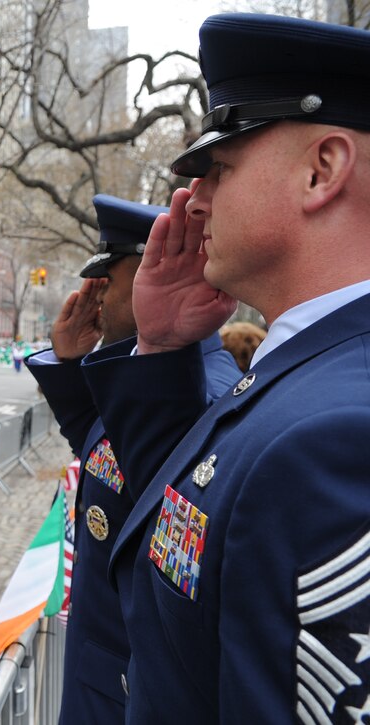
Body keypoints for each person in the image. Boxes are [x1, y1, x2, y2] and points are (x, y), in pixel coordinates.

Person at [77, 15, 370, 722]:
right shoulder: (304, 377)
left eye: (219, 168)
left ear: (321, 169)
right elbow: (183, 543)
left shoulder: (336, 435)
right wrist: (164, 348)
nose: (193, 199)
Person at [25, 195, 240, 723]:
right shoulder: (147, 381)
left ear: (161, 276)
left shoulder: (199, 397)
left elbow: (155, 497)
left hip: (125, 690)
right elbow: (108, 462)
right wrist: (71, 367)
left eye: (108, 282)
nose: (92, 298)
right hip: (97, 678)